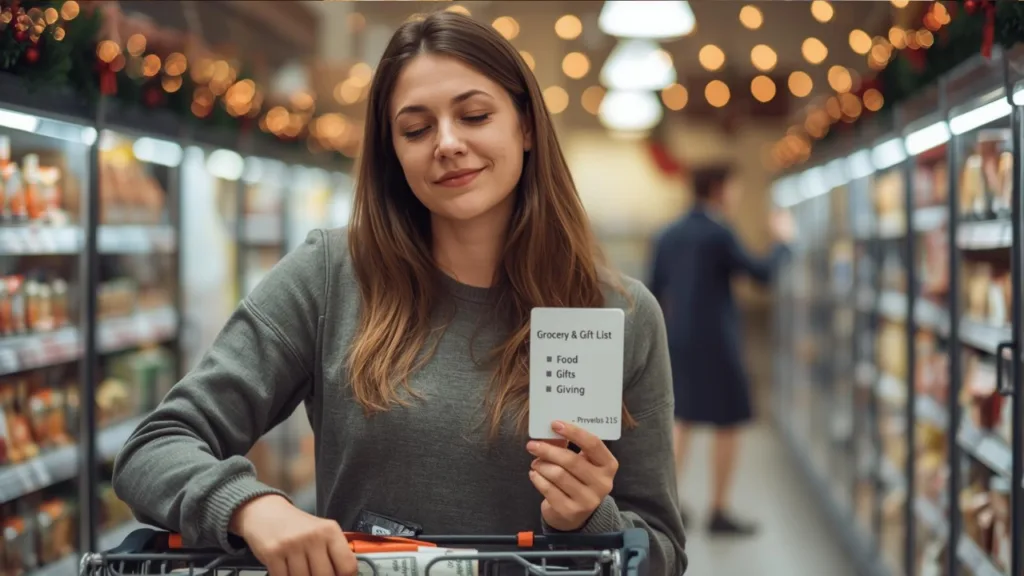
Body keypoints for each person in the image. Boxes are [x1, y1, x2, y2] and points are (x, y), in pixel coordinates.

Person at [111, 10, 687, 576]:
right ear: (393, 152)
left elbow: (662, 549)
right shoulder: (332, 274)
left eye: (476, 115)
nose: (448, 143)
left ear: (527, 125)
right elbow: (156, 447)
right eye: (416, 129)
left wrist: (592, 517)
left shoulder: (621, 313)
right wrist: (251, 506)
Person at [648, 165, 793, 536]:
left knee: (681, 417)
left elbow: (653, 289)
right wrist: (782, 242)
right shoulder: (719, 232)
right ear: (718, 188)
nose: (737, 194)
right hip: (718, 342)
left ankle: (669, 506)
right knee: (729, 422)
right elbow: (761, 273)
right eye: (734, 187)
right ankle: (719, 509)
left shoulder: (667, 233)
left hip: (678, 340)